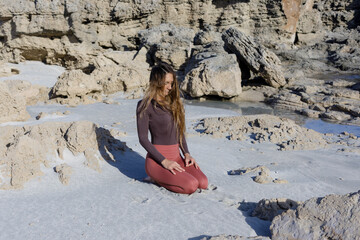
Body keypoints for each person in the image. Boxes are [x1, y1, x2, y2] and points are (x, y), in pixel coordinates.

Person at [136, 62, 208, 194]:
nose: (170, 87)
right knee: (191, 185)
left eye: (172, 83)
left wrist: (186, 153)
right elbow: (143, 138)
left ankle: (164, 177)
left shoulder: (175, 103)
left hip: (177, 157)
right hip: (158, 161)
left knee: (203, 183)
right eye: (167, 83)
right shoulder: (144, 105)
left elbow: (179, 132)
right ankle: (155, 177)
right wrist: (164, 162)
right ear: (156, 82)